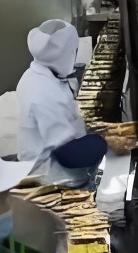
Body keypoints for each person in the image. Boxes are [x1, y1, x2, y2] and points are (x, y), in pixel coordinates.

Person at [16, 19, 108, 187]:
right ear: (65, 53)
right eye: (74, 51)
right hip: (52, 179)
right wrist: (105, 142)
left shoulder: (34, 74)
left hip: (43, 165)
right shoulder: (45, 92)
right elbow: (70, 155)